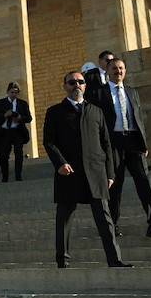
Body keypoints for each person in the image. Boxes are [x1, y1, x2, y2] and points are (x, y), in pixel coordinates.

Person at [43, 71, 132, 268]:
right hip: (69, 172)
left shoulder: (96, 111)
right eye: (72, 82)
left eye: (80, 82)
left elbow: (106, 144)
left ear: (85, 86)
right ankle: (62, 261)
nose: (77, 85)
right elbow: (49, 142)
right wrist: (60, 163)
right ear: (65, 86)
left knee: (105, 219)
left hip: (96, 172)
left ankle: (114, 260)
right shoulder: (55, 112)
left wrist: (110, 173)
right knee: (64, 219)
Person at [86, 58, 151, 240]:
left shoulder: (132, 92)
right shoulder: (98, 93)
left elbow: (138, 118)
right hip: (112, 144)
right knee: (115, 187)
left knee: (145, 184)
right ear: (107, 71)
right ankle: (113, 225)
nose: (118, 71)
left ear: (125, 70)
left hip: (133, 142)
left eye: (121, 68)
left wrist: (144, 144)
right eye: (114, 68)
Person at [0, 82, 32, 182]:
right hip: (4, 132)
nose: (14, 94)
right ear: (8, 92)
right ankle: (5, 176)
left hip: (17, 131)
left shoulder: (22, 103)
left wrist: (20, 118)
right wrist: (4, 115)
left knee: (18, 153)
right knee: (3, 155)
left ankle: (18, 175)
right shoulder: (1, 103)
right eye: (12, 92)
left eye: (16, 93)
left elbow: (29, 118)